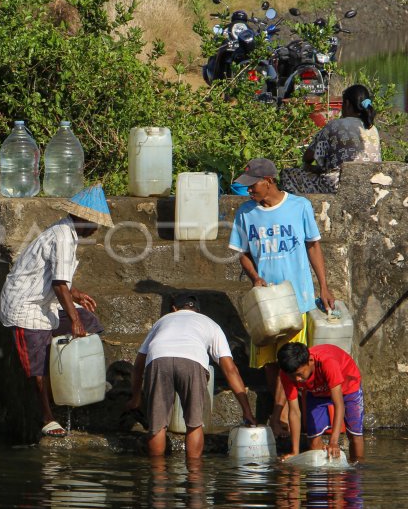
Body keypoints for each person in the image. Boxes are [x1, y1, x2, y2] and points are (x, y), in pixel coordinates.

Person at [228, 158, 335, 435]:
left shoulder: (299, 207)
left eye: (253, 187)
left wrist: (323, 286)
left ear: (270, 181)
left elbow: (313, 247)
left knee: (291, 361)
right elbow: (242, 254)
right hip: (265, 303)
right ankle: (281, 416)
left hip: (296, 298)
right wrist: (255, 277)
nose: (250, 192)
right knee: (269, 362)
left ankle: (282, 416)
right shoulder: (246, 213)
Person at [0, 184, 113, 438]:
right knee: (37, 364)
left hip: (46, 302)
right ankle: (47, 417)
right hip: (25, 306)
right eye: (94, 224)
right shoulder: (62, 236)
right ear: (83, 219)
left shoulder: (68, 235)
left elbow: (59, 280)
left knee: (89, 321)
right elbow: (59, 283)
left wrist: (76, 295)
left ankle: (77, 378)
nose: (96, 230)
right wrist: (73, 319)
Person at [126, 294, 255, 459]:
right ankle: (194, 477)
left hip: (159, 358)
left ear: (174, 309)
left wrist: (136, 397)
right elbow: (230, 370)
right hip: (192, 361)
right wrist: (247, 411)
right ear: (198, 310)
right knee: (194, 425)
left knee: (157, 427)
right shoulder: (210, 323)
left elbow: (138, 365)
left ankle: (157, 478)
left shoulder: (163, 320)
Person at [281, 84, 380, 194]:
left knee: (287, 175)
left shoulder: (335, 125)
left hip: (340, 186)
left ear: (347, 104)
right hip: (369, 183)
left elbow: (308, 157)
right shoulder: (373, 128)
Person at [276, 342, 365, 462]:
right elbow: (294, 412)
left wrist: (333, 442)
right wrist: (295, 452)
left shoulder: (327, 363)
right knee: (313, 441)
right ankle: (324, 476)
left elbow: (339, 405)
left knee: (354, 436)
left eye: (300, 374)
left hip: (347, 387)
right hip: (316, 391)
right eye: (292, 376)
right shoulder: (286, 374)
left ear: (310, 361)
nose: (297, 379)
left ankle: (357, 469)